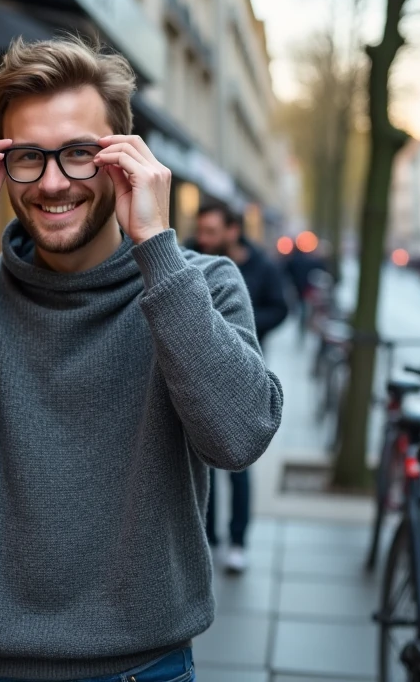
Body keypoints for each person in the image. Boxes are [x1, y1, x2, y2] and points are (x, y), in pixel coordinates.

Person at [0, 36, 283, 682]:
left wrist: (155, 245)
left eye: (79, 154)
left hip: (145, 669)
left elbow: (240, 437)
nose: (51, 182)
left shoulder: (197, 285)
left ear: (125, 159)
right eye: (29, 158)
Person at [192, 200, 289, 574]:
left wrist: (239, 324)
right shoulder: (186, 253)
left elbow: (279, 308)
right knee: (200, 458)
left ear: (233, 231)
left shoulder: (261, 265)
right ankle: (207, 536)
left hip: (244, 368)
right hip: (198, 371)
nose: (203, 238)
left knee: (238, 461)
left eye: (211, 232)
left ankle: (237, 540)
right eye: (201, 230)